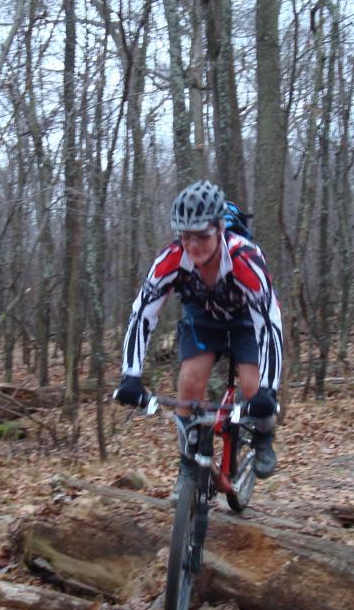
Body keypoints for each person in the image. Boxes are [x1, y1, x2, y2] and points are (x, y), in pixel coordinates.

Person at [115, 179, 283, 491]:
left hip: (248, 321)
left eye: (202, 236)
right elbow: (143, 314)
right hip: (203, 319)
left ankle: (263, 435)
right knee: (189, 384)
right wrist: (130, 375)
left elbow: (270, 324)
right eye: (185, 236)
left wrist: (268, 392)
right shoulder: (170, 258)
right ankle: (188, 466)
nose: (193, 245)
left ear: (220, 228)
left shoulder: (245, 259)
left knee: (253, 384)